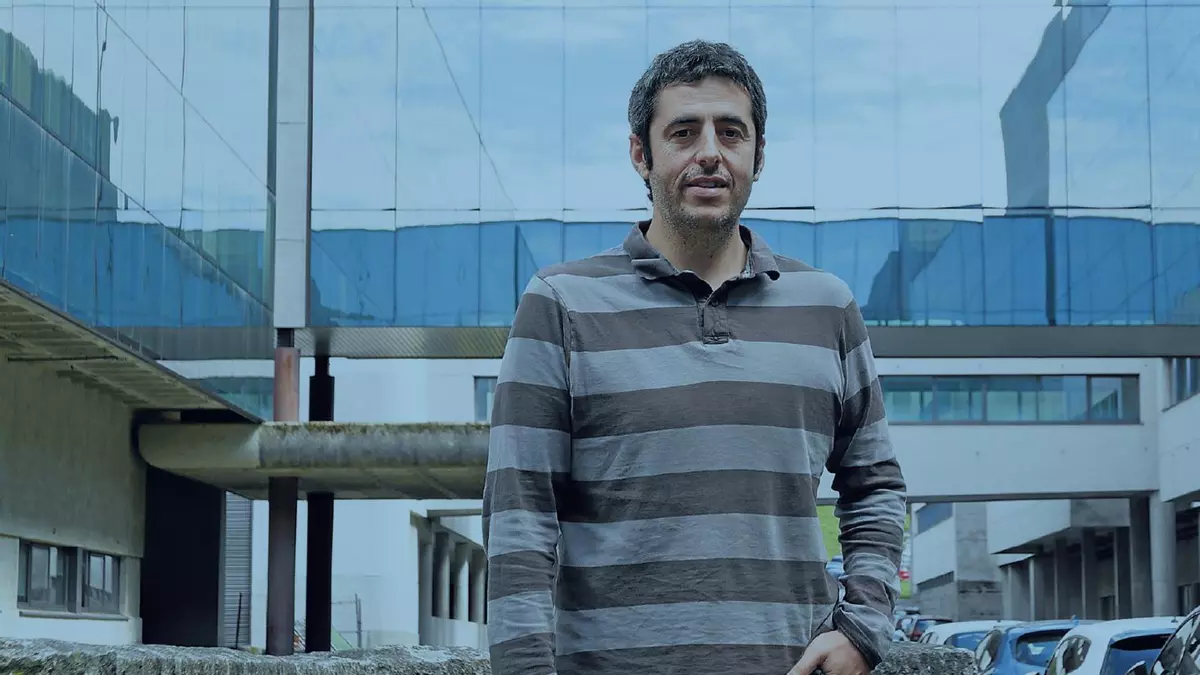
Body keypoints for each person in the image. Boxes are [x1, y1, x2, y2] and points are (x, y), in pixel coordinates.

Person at [482, 39, 908, 675]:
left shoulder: (827, 306)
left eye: (731, 133)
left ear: (758, 155)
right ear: (641, 153)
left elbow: (874, 486)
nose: (710, 152)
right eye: (683, 132)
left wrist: (863, 626)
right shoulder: (561, 303)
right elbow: (519, 514)